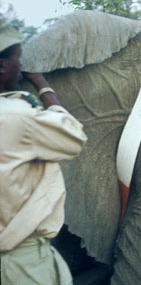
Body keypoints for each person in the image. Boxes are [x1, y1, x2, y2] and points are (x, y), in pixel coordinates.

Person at [0, 15, 87, 284]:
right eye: (18, 57)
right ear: (3, 66)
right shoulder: (17, 116)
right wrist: (43, 86)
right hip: (21, 263)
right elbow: (73, 136)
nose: (21, 64)